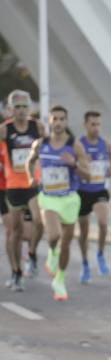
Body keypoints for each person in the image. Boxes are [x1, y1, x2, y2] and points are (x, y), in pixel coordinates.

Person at [28, 105, 90, 302]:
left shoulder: (75, 145)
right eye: (55, 119)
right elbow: (30, 161)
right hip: (48, 197)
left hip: (70, 198)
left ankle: (60, 280)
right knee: (54, 235)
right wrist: (32, 177)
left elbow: (87, 174)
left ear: (67, 121)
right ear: (50, 121)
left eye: (62, 119)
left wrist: (73, 164)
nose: (59, 123)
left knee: (67, 242)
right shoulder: (41, 143)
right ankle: (51, 252)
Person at [1, 91, 44, 289]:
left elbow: (49, 149)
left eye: (24, 106)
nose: (21, 110)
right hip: (12, 186)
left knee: (39, 221)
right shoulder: (4, 130)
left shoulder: (38, 127)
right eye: (17, 107)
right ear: (10, 109)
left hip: (33, 184)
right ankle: (16, 272)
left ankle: (32, 254)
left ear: (30, 108)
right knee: (15, 232)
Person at [75, 111, 111, 282]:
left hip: (99, 190)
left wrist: (110, 169)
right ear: (86, 125)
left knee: (103, 223)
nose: (96, 128)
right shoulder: (79, 144)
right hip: (82, 191)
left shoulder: (105, 144)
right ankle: (85, 264)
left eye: (98, 124)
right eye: (93, 124)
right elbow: (71, 165)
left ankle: (100, 254)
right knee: (83, 232)